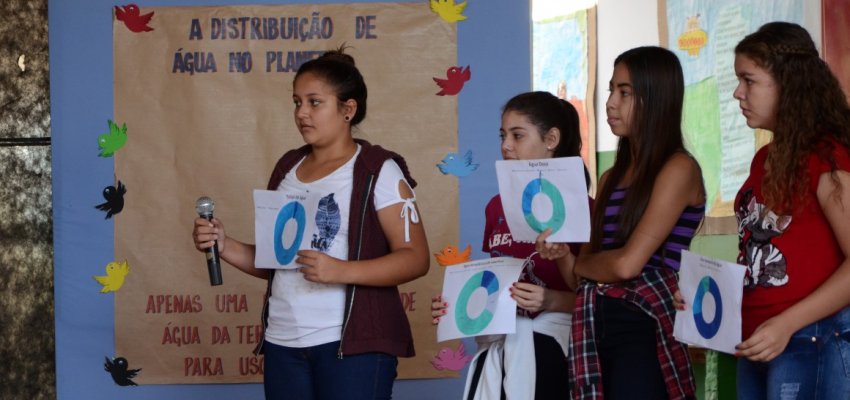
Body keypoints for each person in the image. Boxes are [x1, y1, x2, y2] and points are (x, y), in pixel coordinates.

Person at [192, 47, 430, 400]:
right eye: (296, 102)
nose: (302, 113)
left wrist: (341, 271)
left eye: (314, 102)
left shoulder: (378, 168)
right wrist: (225, 245)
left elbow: (416, 258)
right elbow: (280, 261)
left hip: (352, 345)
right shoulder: (287, 167)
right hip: (282, 343)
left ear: (347, 110)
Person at [538, 46, 704, 400]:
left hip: (644, 331)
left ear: (657, 98)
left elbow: (629, 264)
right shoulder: (611, 176)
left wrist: (584, 265)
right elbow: (578, 280)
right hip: (595, 328)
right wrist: (563, 255)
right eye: (612, 89)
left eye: (625, 92)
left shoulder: (678, 168)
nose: (611, 102)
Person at [432, 91, 588, 399]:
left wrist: (551, 300)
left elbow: (596, 301)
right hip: (502, 351)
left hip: (556, 353)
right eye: (503, 135)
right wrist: (458, 306)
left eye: (517, 135)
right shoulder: (495, 207)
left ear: (552, 139)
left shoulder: (587, 209)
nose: (506, 145)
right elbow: (498, 288)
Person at [728, 22, 850, 399]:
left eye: (749, 80)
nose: (738, 93)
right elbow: (759, 255)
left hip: (810, 339)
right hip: (758, 342)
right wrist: (708, 293)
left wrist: (785, 325)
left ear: (788, 83)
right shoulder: (764, 158)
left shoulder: (828, 157)